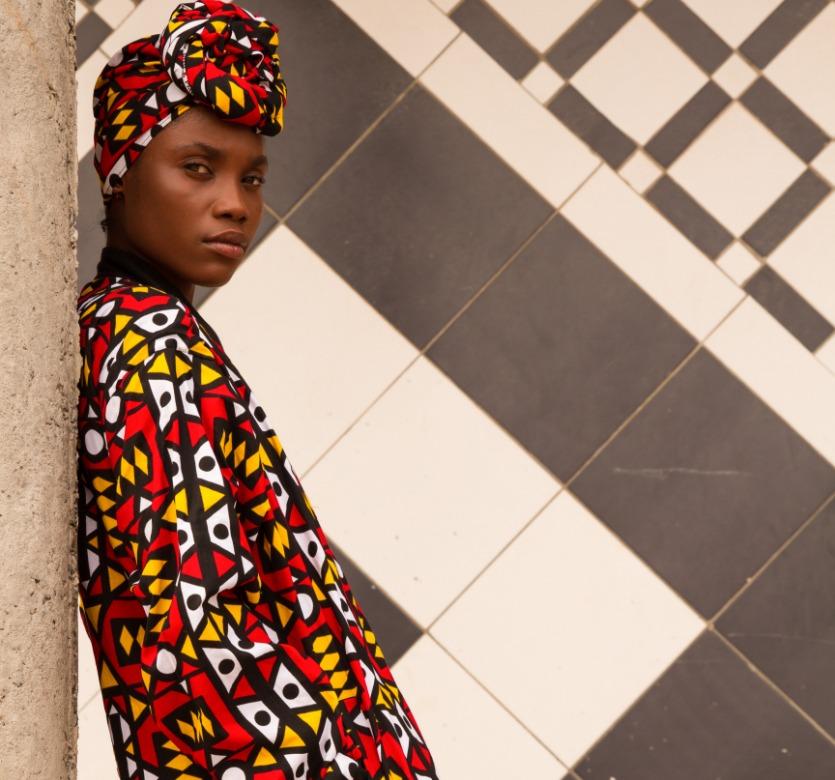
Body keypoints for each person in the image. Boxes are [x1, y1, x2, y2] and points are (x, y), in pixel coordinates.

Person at [75, 2, 440, 778]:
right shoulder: (146, 345)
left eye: (252, 177)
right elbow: (190, 637)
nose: (236, 203)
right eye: (198, 168)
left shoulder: (147, 330)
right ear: (119, 173)